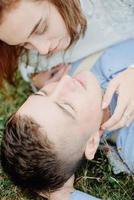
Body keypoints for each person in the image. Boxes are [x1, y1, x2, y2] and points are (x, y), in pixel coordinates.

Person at [1, 38, 134, 200]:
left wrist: (36, 77)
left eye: (42, 93)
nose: (63, 81)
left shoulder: (61, 67)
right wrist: (61, 194)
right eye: (66, 106)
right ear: (92, 142)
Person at [0, 0, 134, 130]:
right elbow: (26, 66)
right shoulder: (35, 55)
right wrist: (37, 79)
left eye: (41, 29)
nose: (43, 50)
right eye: (24, 44)